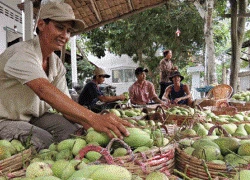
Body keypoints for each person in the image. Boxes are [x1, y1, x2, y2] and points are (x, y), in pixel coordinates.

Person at [0, 2, 131, 151]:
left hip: (34, 117)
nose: (65, 36)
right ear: (41, 25)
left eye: (68, 31)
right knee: (44, 142)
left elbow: (66, 106)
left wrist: (94, 124)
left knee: (74, 134)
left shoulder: (56, 64)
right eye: (60, 27)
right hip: (5, 120)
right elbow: (43, 90)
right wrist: (93, 118)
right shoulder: (22, 53)